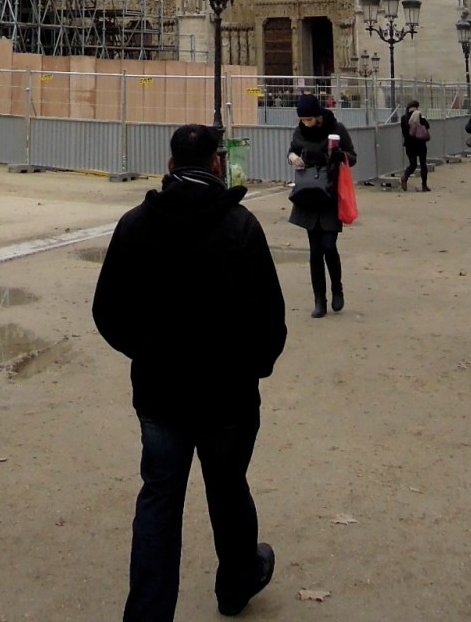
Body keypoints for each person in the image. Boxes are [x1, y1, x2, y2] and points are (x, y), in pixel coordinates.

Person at [92, 123, 286, 622]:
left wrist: (146, 352)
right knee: (228, 487)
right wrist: (251, 369)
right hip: (226, 394)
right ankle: (237, 580)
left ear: (171, 165)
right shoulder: (241, 226)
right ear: (218, 165)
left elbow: (107, 311)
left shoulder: (136, 222)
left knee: (158, 499)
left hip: (160, 392)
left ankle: (147, 615)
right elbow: (270, 319)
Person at [287, 92, 357, 315]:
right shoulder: (300, 131)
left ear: (318, 116)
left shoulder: (337, 129)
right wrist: (293, 158)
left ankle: (337, 288)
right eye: (302, 120)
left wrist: (340, 156)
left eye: (309, 119)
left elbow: (353, 156)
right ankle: (320, 300)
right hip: (308, 194)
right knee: (314, 250)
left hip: (330, 193)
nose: (306, 123)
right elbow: (292, 150)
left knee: (329, 246)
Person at [401, 98, 430, 192]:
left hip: (409, 145)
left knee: (412, 164)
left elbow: (404, 132)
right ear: (417, 107)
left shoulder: (404, 118)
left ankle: (405, 176)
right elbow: (427, 126)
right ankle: (424, 185)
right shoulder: (420, 116)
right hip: (420, 144)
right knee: (423, 164)